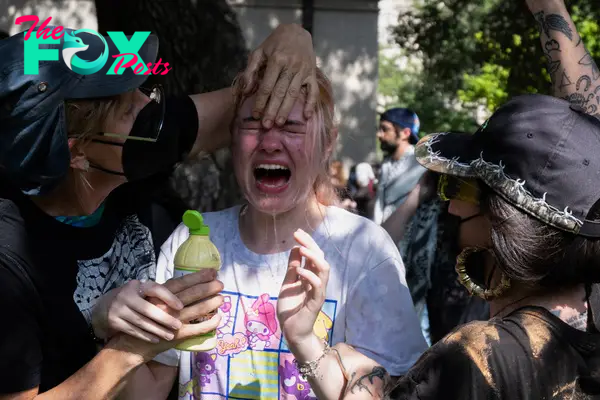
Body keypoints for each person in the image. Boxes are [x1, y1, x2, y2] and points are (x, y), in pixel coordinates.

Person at [274, 1, 600, 398]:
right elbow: (585, 155)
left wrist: (356, 377)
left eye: (462, 189)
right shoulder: (589, 311)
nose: (452, 207)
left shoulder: (476, 360)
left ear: (512, 219)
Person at [0, 22, 319, 399]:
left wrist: (294, 38)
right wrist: (129, 347)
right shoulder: (11, 260)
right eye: (124, 103)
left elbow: (250, 103)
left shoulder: (127, 151)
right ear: (76, 151)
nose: (146, 103)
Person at [147, 67, 427, 400]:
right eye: (252, 123)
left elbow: (391, 389)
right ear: (232, 139)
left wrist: (306, 341)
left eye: (292, 126)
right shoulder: (190, 243)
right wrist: (116, 334)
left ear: (327, 143)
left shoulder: (364, 250)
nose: (270, 143)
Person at [373, 107, 425, 226]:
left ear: (406, 133)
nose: (379, 134)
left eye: (385, 129)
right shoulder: (386, 164)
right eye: (378, 129)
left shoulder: (420, 165)